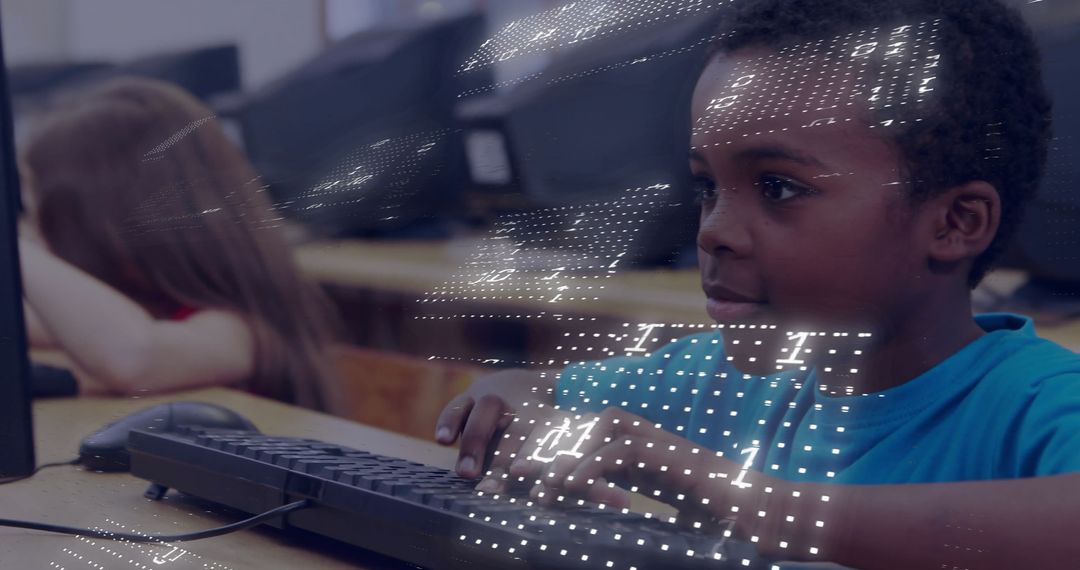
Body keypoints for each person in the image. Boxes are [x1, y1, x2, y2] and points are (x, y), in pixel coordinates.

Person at [435, 0, 1080, 568]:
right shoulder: (718, 379)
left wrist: (751, 503)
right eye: (706, 187)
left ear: (954, 223)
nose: (715, 231)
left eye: (778, 187)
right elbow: (527, 391)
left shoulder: (1031, 401)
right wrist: (513, 410)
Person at [20, 77, 341, 412]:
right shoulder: (143, 303)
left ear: (100, 227)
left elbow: (133, 360)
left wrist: (15, 251)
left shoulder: (244, 330)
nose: (30, 230)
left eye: (35, 213)